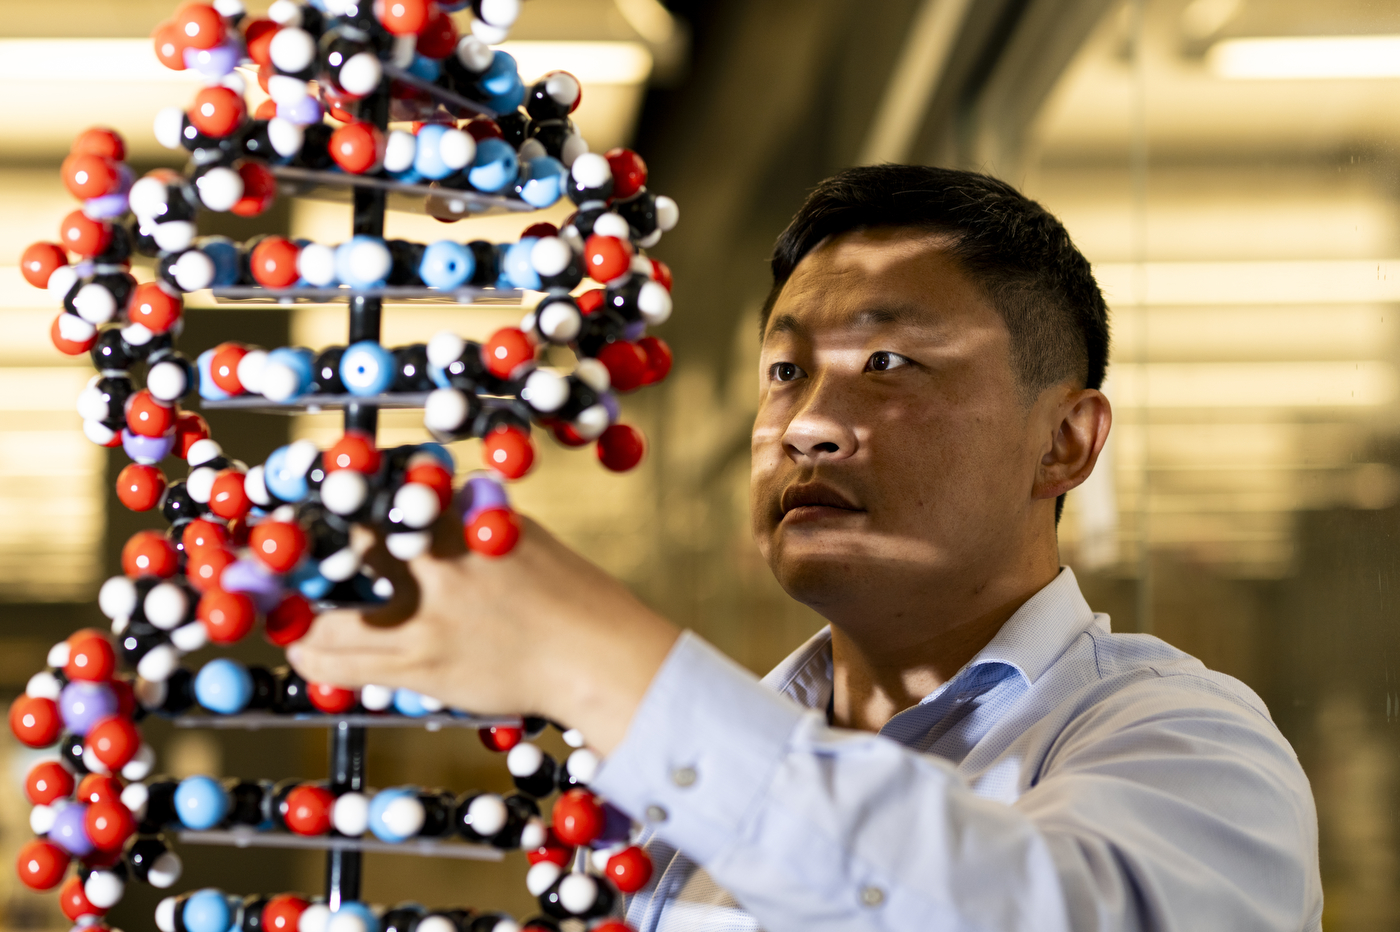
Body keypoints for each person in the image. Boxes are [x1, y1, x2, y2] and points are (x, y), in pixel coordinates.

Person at [289, 165, 1323, 931]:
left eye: (888, 360)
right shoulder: (675, 787)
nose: (806, 425)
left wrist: (594, 657)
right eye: (784, 372)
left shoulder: (1184, 744)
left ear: (1062, 440)